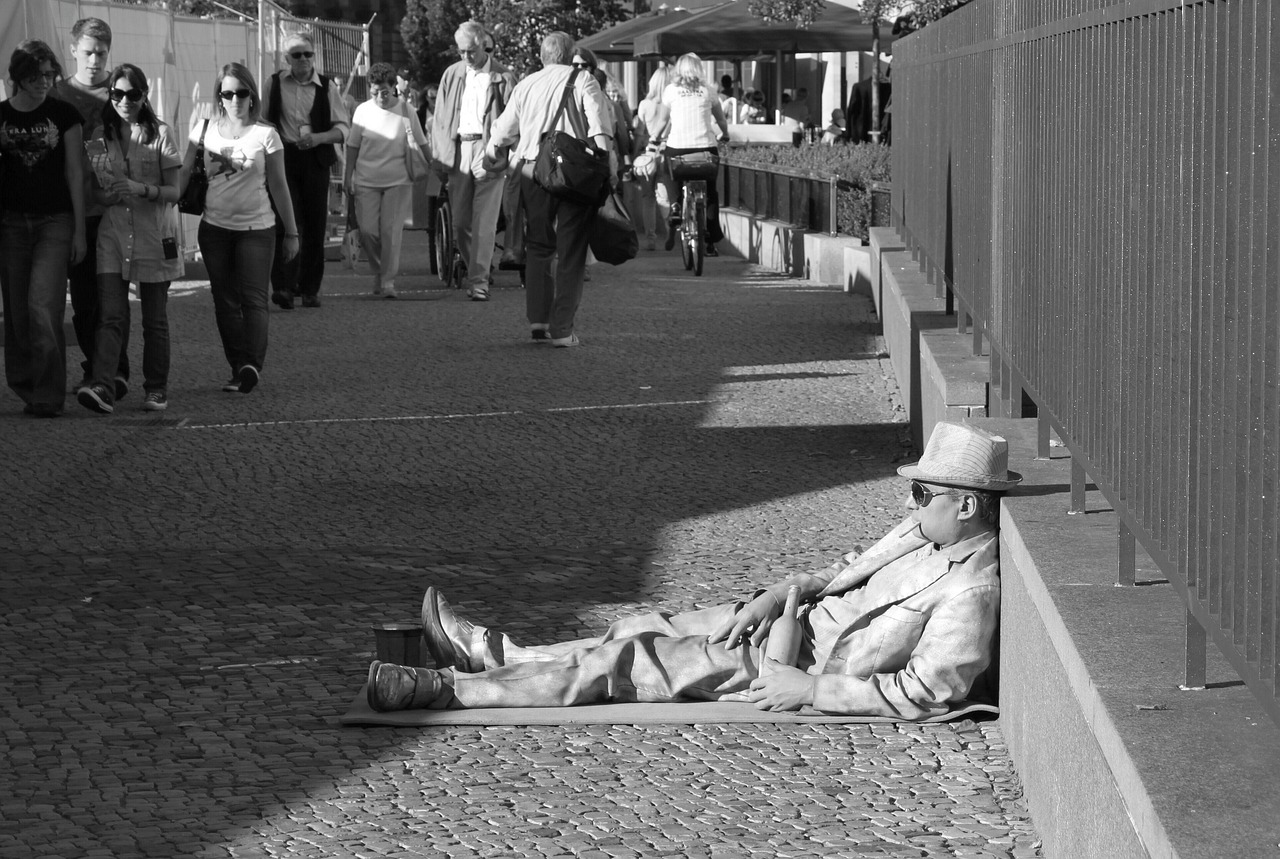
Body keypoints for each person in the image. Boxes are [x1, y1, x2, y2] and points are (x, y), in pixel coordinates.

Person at [366, 421, 1019, 719]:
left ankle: (445, 687)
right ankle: (498, 655)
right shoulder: (926, 532)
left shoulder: (971, 590)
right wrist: (780, 593)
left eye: (921, 492)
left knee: (628, 663)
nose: (909, 503)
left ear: (966, 505)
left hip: (790, 664)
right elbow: (847, 569)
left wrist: (807, 687)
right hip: (787, 625)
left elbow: (926, 692)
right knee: (638, 626)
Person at [483, 31, 614, 348]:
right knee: (571, 250)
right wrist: (606, 168)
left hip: (533, 172)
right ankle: (562, 330)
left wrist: (491, 155)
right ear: (570, 55)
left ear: (542, 57)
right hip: (573, 173)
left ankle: (538, 322)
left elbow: (503, 131)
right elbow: (599, 128)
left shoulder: (526, 85)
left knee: (539, 247)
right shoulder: (584, 80)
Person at [182, 62, 298, 394]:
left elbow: (279, 185)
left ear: (252, 96)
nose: (235, 100)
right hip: (214, 229)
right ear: (219, 97)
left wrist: (292, 233)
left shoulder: (266, 134)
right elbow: (183, 171)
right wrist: (162, 198)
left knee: (254, 299)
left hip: (257, 229)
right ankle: (237, 367)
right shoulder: (203, 130)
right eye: (228, 94)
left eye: (242, 93)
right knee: (224, 301)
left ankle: (251, 364)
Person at [75, 64, 182, 415]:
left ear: (144, 95)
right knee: (110, 315)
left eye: (132, 94)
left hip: (153, 235)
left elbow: (175, 191)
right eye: (117, 94)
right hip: (113, 235)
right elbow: (98, 192)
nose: (124, 101)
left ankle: (156, 388)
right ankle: (103, 386)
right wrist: (108, 194)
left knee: (154, 320)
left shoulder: (161, 133)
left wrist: (141, 189)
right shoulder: (98, 135)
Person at [0, 40, 86, 418]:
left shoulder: (64, 114)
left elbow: (75, 173)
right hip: (11, 223)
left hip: (55, 221)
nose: (44, 82)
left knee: (42, 305)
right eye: (36, 76)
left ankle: (50, 394)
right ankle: (26, 385)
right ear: (18, 77)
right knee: (18, 311)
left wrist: (79, 230)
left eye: (50, 75)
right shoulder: (1, 114)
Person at [53, 17, 129, 398]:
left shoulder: (121, 91)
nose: (95, 61)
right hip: (73, 210)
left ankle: (114, 371)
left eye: (101, 53)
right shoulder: (57, 93)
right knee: (84, 302)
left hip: (112, 211)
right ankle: (97, 367)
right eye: (88, 53)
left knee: (112, 299)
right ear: (72, 50)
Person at [261, 31, 349, 310]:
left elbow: (343, 129)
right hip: (283, 157)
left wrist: (319, 138)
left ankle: (310, 288)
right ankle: (284, 287)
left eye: (308, 54)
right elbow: (262, 120)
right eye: (297, 55)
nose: (303, 59)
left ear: (314, 56)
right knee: (285, 220)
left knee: (314, 224)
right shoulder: (274, 83)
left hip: (315, 159)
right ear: (287, 58)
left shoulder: (327, 87)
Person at [430, 22, 517, 302]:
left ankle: (479, 281)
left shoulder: (504, 76)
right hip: (458, 150)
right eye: (461, 51)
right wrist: (440, 158)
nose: (466, 56)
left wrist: (502, 150)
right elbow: (440, 119)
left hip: (488, 149)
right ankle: (478, 269)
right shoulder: (452, 74)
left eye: (471, 51)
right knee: (460, 224)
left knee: (484, 222)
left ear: (483, 45)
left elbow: (515, 119)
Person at [344, 62, 428, 300]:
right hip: (366, 180)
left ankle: (388, 281)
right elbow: (352, 146)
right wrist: (348, 176)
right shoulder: (362, 111)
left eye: (384, 92)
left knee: (390, 232)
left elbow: (422, 143)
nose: (379, 97)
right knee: (368, 231)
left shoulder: (406, 111)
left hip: (398, 180)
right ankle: (380, 270)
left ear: (393, 88)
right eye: (374, 92)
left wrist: (434, 165)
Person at [653, 52, 728, 256]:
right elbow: (721, 120)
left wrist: (653, 138)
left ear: (678, 70)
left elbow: (662, 121)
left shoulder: (671, 91)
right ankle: (711, 238)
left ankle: (676, 205)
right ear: (699, 69)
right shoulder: (708, 91)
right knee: (710, 193)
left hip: (678, 147)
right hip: (705, 148)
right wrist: (725, 134)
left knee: (671, 173)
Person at [629, 65, 673, 252]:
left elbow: (639, 134)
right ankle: (670, 233)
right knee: (664, 196)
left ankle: (651, 238)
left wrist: (634, 155)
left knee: (647, 197)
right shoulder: (672, 104)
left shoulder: (645, 105)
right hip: (667, 152)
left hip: (648, 155)